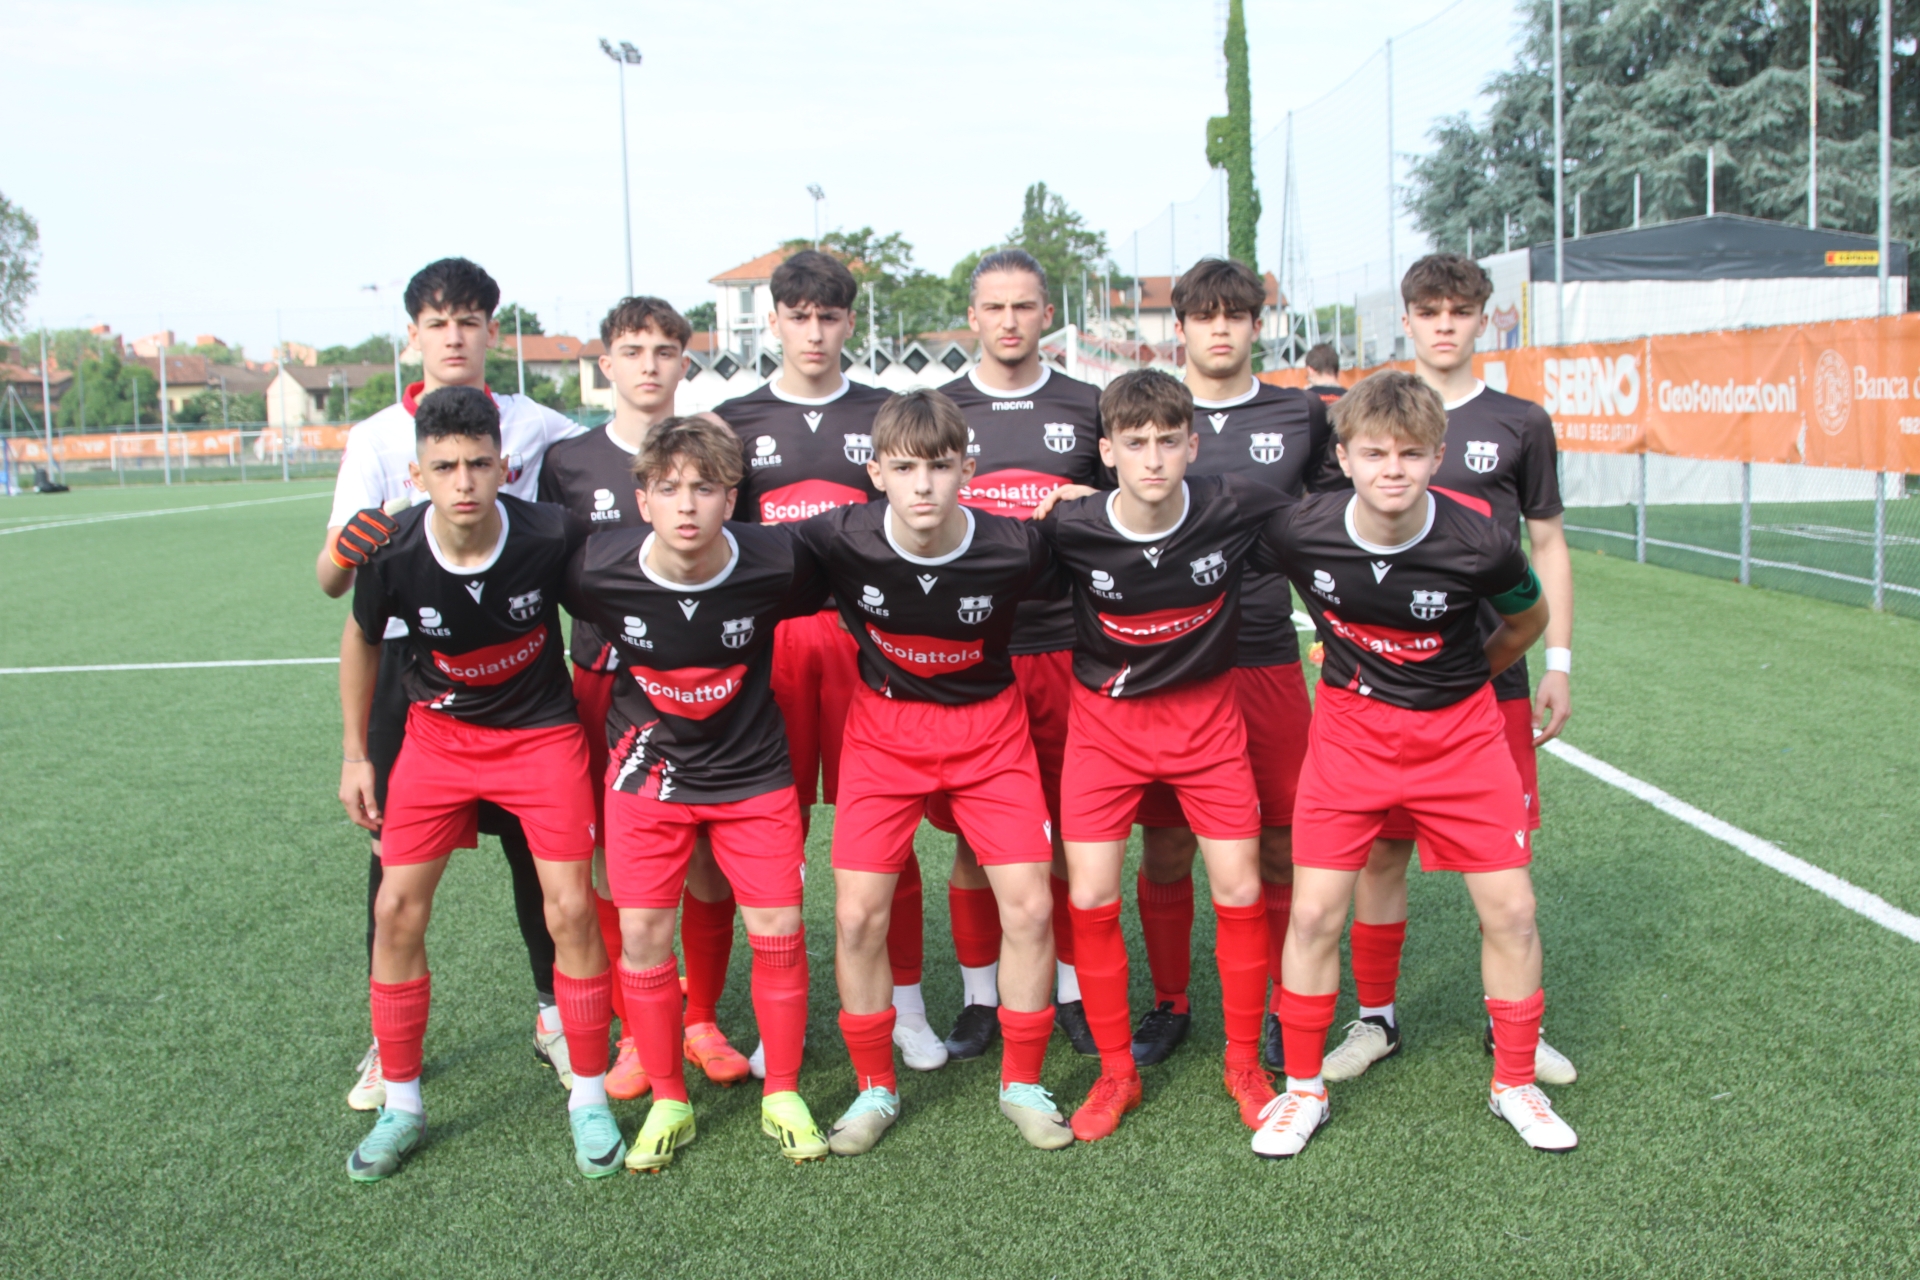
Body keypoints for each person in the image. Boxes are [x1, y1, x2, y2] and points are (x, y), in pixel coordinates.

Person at [1251, 369, 1576, 1158]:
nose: (1391, 469)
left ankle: (1515, 1083)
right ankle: (1303, 1091)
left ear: (1438, 456)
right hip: (1350, 737)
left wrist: (1460, 677)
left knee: (1512, 911)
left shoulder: (1480, 540)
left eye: (1409, 453)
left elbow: (1528, 618)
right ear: (1344, 458)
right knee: (1314, 914)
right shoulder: (1300, 530)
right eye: (1374, 453)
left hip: (1461, 738)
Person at [319, 257, 584, 1112]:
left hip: (519, 670)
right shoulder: (375, 439)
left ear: (491, 332)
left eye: (469, 321)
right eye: (438, 323)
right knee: (392, 861)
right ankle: (387, 1041)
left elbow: (591, 497)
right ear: (414, 337)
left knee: (535, 850)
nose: (454, 337)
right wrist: (346, 552)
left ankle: (554, 1013)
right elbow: (334, 579)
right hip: (411, 667)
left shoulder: (541, 426)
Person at [336, 386, 620, 1181]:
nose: (463, 482)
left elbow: (610, 606)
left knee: (572, 908)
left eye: (478, 464)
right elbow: (360, 640)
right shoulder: (392, 549)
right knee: (395, 908)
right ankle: (401, 1104)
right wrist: (356, 755)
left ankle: (590, 1095)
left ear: (505, 466)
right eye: (445, 467)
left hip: (540, 736)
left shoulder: (551, 533)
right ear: (417, 475)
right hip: (438, 740)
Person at [1320, 254, 1578, 1087]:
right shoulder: (1369, 414)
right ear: (1406, 319)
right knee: (1380, 859)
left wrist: (1558, 660)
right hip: (1385, 688)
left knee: (1501, 871)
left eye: (1459, 311)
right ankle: (1376, 1019)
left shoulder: (1520, 422)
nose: (1444, 324)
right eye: (1428, 310)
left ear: (1483, 319)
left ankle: (1516, 1034)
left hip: (1489, 679)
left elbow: (1547, 544)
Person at [790, 389, 1070, 1154]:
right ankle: (874, 1087)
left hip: (990, 730)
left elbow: (1100, 548)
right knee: (856, 916)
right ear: (875, 472)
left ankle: (1022, 1083)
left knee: (1030, 908)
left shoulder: (1015, 546)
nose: (923, 486)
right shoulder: (837, 536)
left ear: (968, 470)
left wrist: (1086, 502)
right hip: (884, 732)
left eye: (940, 467)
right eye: (906, 468)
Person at [565, 415, 830, 1171]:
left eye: (706, 488)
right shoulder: (595, 568)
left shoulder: (777, 559)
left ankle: (783, 1092)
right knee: (645, 940)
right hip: (647, 776)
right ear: (641, 499)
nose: (687, 504)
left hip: (753, 774)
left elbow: (856, 561)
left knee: (779, 930)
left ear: (732, 499)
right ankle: (668, 1100)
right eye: (669, 488)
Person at [1033, 369, 1288, 1143]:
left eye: (1168, 441)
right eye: (1135, 443)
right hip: (1105, 732)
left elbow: (1328, 535)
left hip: (1207, 727)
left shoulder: (1235, 505)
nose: (1153, 459)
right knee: (1090, 898)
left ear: (1193, 446)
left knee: (1240, 890)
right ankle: (1117, 1073)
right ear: (1106, 450)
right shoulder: (1070, 528)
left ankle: (1244, 1065)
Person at [713, 250, 947, 1073]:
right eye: (799, 316)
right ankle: (774, 1018)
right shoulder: (733, 420)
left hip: (864, 644)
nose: (813, 332)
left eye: (829, 316)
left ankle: (907, 1008)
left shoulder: (884, 412)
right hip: (771, 648)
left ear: (850, 321)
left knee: (885, 833)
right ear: (774, 320)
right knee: (772, 835)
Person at [1129, 258, 1342, 1071]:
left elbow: (1331, 530)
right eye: (1205, 316)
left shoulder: (1301, 414)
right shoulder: (1146, 411)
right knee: (1168, 846)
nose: (1220, 330)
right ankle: (1171, 1001)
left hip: (1262, 655)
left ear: (1258, 325)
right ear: (1179, 326)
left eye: (1236, 315)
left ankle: (1286, 1003)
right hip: (1165, 666)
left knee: (1281, 844)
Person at [538, 297, 750, 1100]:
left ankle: (702, 1019)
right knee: (610, 860)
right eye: (632, 351)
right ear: (606, 364)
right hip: (604, 678)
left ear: (685, 363)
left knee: (706, 856)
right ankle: (636, 1030)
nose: (649, 365)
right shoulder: (569, 461)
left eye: (665, 351)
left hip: (701, 681)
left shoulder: (714, 450)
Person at [933, 248, 1108, 1061]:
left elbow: (1124, 512)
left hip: (1068, 646)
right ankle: (980, 997)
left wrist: (1095, 501)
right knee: (976, 839)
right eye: (995, 307)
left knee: (1070, 830)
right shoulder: (940, 410)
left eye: (1024, 306)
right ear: (973, 316)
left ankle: (1070, 988)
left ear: (1047, 314)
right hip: (975, 653)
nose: (1009, 321)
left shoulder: (1088, 406)